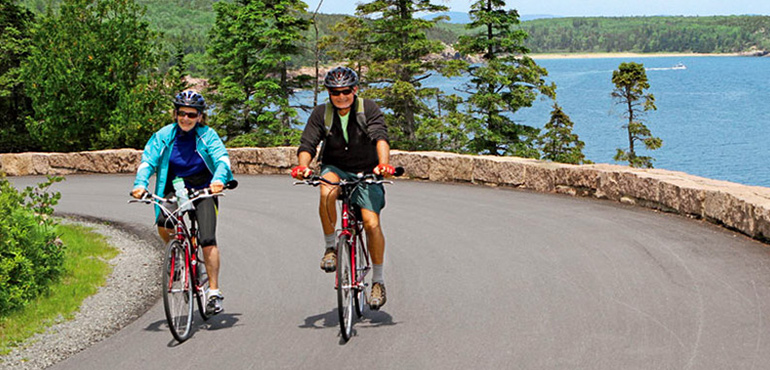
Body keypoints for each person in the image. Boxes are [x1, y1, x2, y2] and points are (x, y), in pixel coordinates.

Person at [291, 67, 395, 310]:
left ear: (355, 90)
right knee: (326, 190)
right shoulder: (321, 113)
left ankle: (378, 282)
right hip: (335, 166)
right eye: (335, 92)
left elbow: (380, 137)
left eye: (346, 91)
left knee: (371, 224)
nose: (341, 96)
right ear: (329, 93)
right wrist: (303, 167)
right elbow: (308, 142)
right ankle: (330, 248)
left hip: (366, 169)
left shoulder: (368, 109)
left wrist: (384, 165)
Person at [132, 90, 234, 315]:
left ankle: (214, 293)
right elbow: (148, 160)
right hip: (173, 185)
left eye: (191, 114)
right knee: (163, 223)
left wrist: (218, 180)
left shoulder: (207, 135)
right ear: (175, 113)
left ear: (200, 116)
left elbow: (222, 159)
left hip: (204, 186)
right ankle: (177, 255)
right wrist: (141, 184)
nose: (186, 118)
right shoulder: (164, 135)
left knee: (207, 239)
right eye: (181, 113)